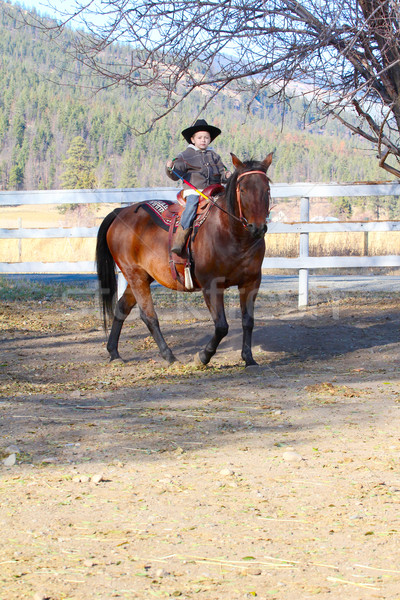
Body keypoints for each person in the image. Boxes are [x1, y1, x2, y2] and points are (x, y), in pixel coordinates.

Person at [166, 119, 231, 256]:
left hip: (214, 191)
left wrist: (227, 175)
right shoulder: (185, 156)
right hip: (195, 191)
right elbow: (175, 174)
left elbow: (222, 174)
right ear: (192, 139)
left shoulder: (214, 156)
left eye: (206, 138)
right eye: (200, 137)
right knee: (191, 207)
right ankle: (180, 239)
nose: (203, 140)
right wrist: (170, 168)